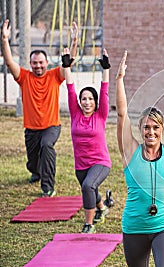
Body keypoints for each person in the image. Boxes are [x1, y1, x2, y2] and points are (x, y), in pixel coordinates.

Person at [116, 50, 164, 267]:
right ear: (139, 129)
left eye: (155, 127)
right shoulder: (130, 151)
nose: (151, 132)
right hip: (134, 227)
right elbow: (122, 114)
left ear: (162, 128)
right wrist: (119, 80)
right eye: (146, 127)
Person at [1, 20, 78, 197]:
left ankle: (48, 187)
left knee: (46, 146)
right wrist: (4, 40)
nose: (38, 66)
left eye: (41, 63)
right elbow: (9, 62)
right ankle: (35, 172)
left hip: (51, 126)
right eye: (35, 63)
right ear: (30, 64)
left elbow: (69, 64)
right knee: (33, 161)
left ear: (46, 63)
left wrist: (74, 42)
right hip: (31, 129)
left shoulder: (55, 76)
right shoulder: (24, 77)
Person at [61, 47, 112, 233]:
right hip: (81, 164)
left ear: (96, 102)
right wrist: (67, 66)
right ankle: (102, 207)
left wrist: (106, 68)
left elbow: (104, 90)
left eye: (91, 99)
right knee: (89, 188)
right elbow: (70, 89)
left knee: (88, 185)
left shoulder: (101, 115)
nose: (87, 102)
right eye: (84, 99)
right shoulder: (75, 114)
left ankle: (88, 225)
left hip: (100, 162)